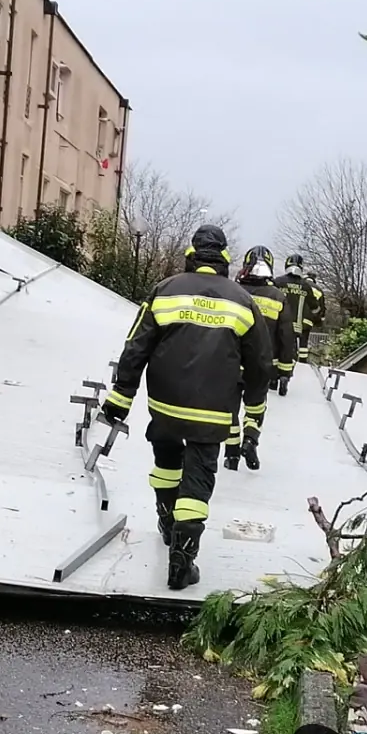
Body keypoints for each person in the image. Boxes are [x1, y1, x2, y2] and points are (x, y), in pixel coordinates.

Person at [101, 225, 275, 590]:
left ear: (191, 254)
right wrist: (253, 412)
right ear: (225, 258)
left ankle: (167, 520)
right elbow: (260, 363)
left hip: (164, 403)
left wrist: (120, 398)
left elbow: (137, 346)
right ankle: (183, 559)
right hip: (213, 411)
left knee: (166, 465)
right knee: (197, 479)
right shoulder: (243, 301)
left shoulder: (165, 290)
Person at [227, 246, 289, 471]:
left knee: (230, 409)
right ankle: (251, 439)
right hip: (263, 363)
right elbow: (286, 336)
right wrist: (285, 370)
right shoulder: (278, 297)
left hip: (232, 362)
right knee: (256, 406)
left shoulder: (233, 292)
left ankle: (231, 454)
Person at [274, 256, 324, 392]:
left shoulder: (278, 282)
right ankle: (285, 377)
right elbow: (315, 307)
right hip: (295, 326)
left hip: (277, 323)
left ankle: (273, 378)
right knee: (289, 352)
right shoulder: (305, 286)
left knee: (274, 349)